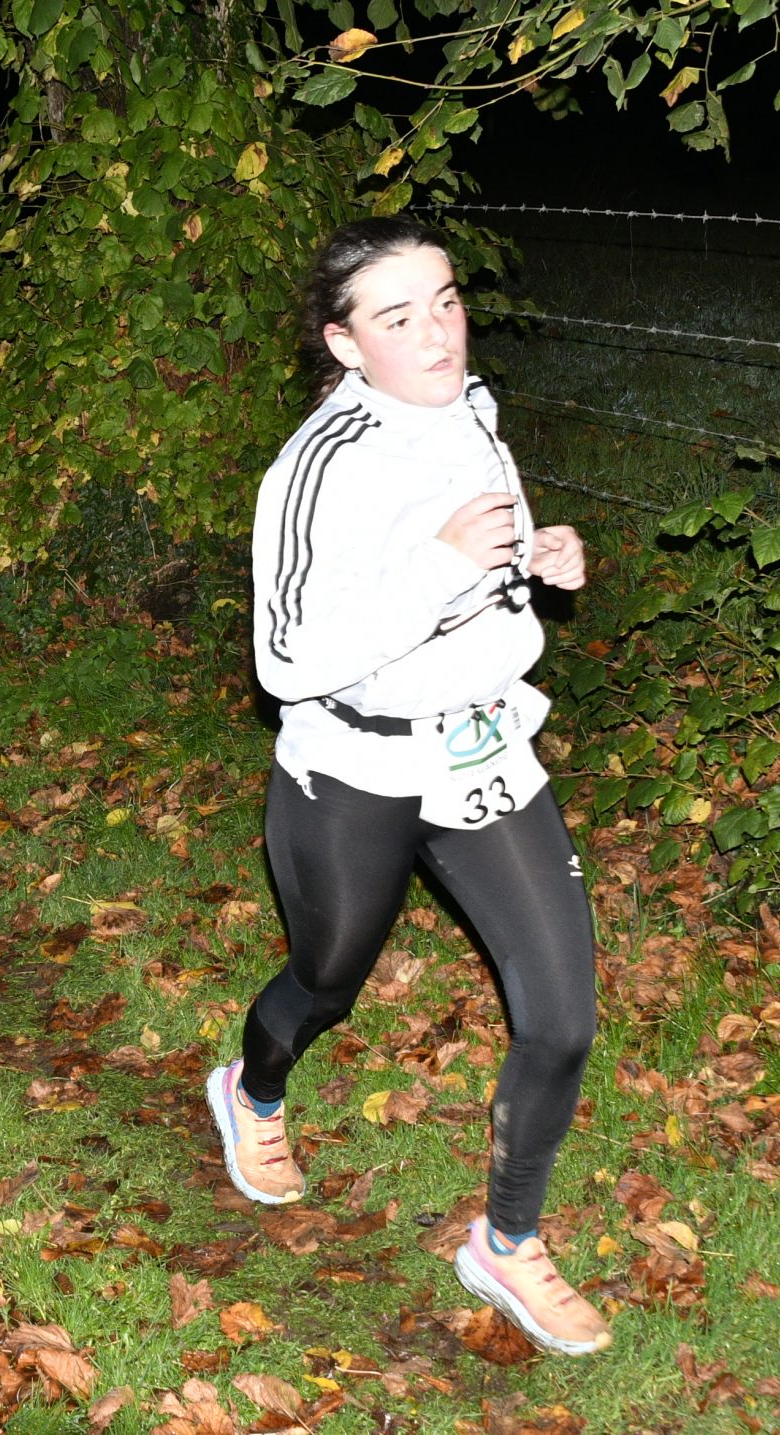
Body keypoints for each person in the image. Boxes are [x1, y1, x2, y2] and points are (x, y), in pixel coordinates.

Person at [209, 219, 607, 1356]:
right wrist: (439, 565)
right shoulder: (318, 467)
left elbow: (488, 566)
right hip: (359, 759)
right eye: (398, 318)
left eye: (445, 301)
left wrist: (539, 559)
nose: (436, 333)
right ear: (345, 344)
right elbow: (285, 658)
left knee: (561, 1017)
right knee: (327, 980)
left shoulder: (472, 410)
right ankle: (254, 1089)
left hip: (480, 748)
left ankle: (507, 1242)